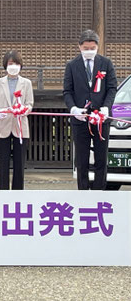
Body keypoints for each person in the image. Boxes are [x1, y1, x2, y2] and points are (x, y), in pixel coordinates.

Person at [63, 29, 117, 190]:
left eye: (92, 48)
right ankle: (83, 192)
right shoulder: (72, 65)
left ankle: (99, 191)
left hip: (101, 118)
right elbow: (67, 91)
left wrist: (106, 108)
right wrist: (73, 109)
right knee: (82, 158)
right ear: (79, 47)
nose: (89, 51)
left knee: (101, 158)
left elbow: (112, 88)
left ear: (97, 47)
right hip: (81, 118)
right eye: (86, 48)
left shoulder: (105, 63)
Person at [0, 50, 34, 190]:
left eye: (15, 63)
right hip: (3, 125)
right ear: (5, 65)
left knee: (19, 163)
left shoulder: (26, 83)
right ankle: (3, 192)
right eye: (10, 63)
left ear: (20, 65)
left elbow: (30, 103)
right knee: (3, 163)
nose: (13, 66)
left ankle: (18, 193)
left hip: (20, 126)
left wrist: (23, 110)